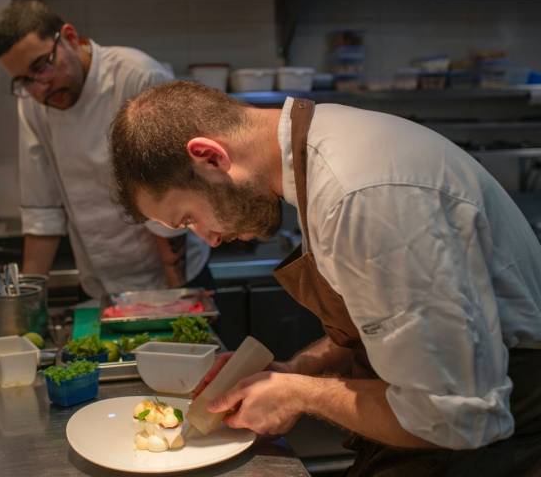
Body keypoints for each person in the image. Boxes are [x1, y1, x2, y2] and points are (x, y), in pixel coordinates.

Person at [109, 80, 541, 475]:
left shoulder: (361, 196)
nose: (211, 240)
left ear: (209, 157)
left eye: (188, 219)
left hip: (506, 436)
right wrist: (294, 369)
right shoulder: (316, 151)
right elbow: (393, 326)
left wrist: (298, 393)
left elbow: (456, 419)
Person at [0, 0, 211, 299]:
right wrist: (26, 302)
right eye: (25, 81)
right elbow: (42, 209)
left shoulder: (137, 77)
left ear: (69, 37)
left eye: (42, 66)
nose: (39, 87)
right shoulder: (32, 105)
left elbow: (171, 192)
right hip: (102, 284)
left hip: (172, 277)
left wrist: (178, 293)